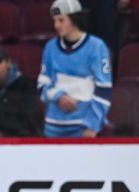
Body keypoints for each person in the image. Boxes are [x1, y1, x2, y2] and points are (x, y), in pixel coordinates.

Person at [38, 0, 112, 138]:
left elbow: (104, 89)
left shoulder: (96, 46)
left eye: (61, 20)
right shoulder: (50, 47)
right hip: (53, 126)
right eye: (54, 21)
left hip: (83, 126)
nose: (56, 25)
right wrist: (59, 97)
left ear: (74, 18)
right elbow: (42, 85)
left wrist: (92, 125)